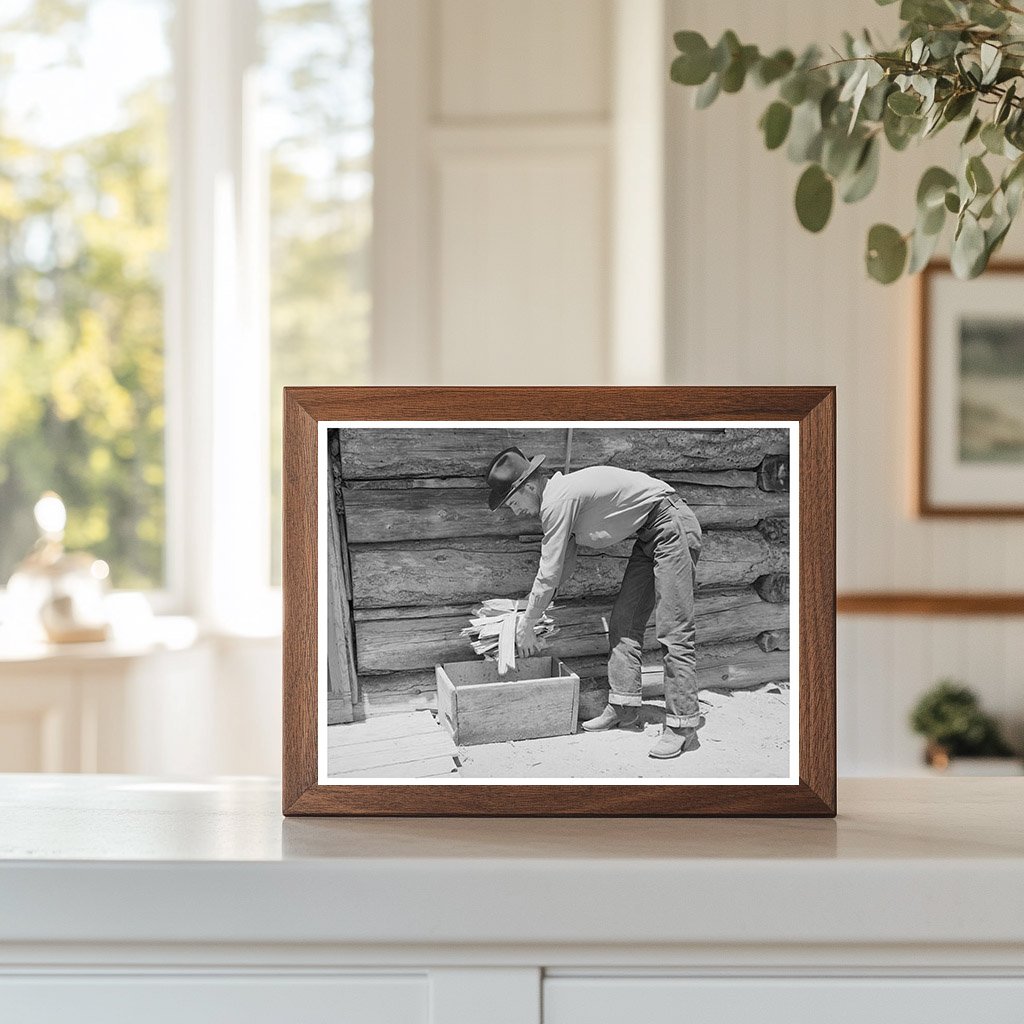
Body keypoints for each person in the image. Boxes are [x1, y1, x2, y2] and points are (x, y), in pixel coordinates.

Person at [484, 446, 703, 759]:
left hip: (670, 525)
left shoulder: (558, 500)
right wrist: (532, 614)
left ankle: (682, 726)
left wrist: (528, 623)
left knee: (674, 628)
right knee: (624, 621)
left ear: (530, 487)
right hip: (650, 534)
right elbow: (560, 570)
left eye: (513, 502)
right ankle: (624, 707)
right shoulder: (558, 500)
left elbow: (549, 571)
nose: (514, 511)